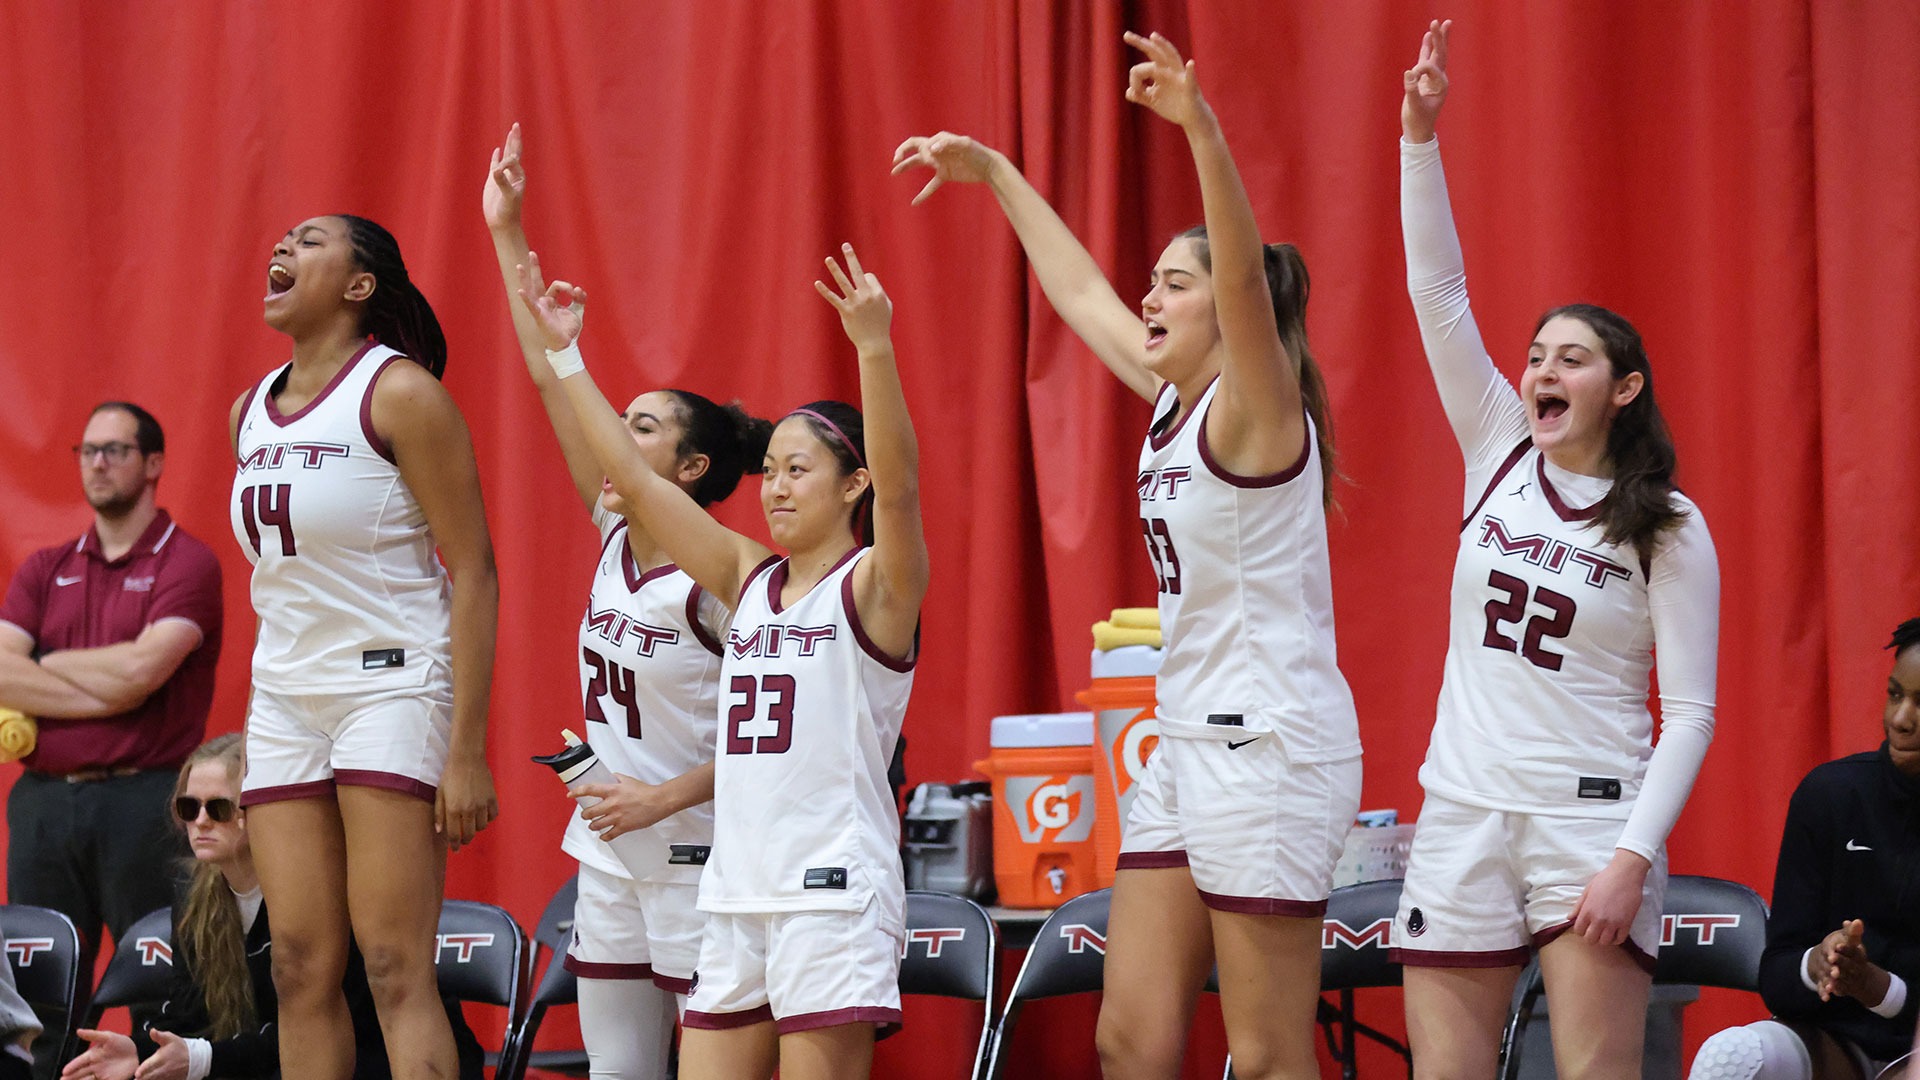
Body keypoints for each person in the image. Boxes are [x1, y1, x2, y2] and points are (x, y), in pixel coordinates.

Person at [894, 31, 1358, 1079]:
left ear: (1234, 315)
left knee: (1271, 1052)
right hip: (1186, 740)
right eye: (1153, 281)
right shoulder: (1172, 406)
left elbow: (1243, 274)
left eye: (1173, 285)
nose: (1148, 299)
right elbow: (1079, 296)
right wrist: (1000, 175)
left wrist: (1200, 127)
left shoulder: (1257, 412)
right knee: (1130, 1038)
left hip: (1272, 747)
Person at [1390, 21, 1722, 1079]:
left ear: (1621, 390)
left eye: (1571, 358)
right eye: (1536, 354)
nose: (1541, 368)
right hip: (1461, 808)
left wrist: (1633, 859)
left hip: (1589, 820)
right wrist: (1419, 135)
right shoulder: (1494, 444)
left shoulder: (1669, 523)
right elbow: (1438, 297)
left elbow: (1695, 713)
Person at [515, 237, 926, 1080]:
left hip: (830, 891)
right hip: (736, 891)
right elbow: (627, 470)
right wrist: (563, 350)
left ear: (852, 486)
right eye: (769, 470)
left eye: (798, 471)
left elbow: (904, 486)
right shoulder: (746, 576)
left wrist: (874, 350)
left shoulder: (876, 585)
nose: (775, 487)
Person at [484, 124, 768, 1078]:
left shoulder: (728, 579)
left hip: (701, 847)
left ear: (690, 469)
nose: (613, 436)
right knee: (617, 1070)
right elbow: (545, 378)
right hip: (609, 846)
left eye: (637, 427)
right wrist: (506, 229)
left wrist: (663, 796)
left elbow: (783, 736)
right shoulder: (614, 535)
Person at [229, 214, 499, 1080]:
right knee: (298, 967)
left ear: (358, 286)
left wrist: (466, 753)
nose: (282, 249)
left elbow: (478, 572)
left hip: (390, 687)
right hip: (284, 695)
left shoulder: (401, 393)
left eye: (307, 240)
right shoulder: (249, 409)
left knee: (393, 966)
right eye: (282, 240)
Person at [0, 401, 223, 1075]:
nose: (98, 463)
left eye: (115, 450)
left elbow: (142, 673)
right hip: (43, 804)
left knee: (160, 990)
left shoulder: (188, 562)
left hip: (145, 805)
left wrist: (39, 670)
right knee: (38, 1000)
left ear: (153, 463)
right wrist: (108, 677)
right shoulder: (46, 568)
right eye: (88, 451)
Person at [58, 735, 483, 1080]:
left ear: (260, 810)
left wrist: (204, 1060)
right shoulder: (194, 893)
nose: (200, 822)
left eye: (219, 808)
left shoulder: (324, 887)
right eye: (188, 808)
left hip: (376, 1063)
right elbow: (189, 1017)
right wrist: (141, 1052)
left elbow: (315, 1033)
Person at [1687, 619, 1920, 1080]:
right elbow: (1776, 972)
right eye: (1895, 694)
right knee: (1730, 1059)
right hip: (1833, 1044)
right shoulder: (1831, 795)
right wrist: (1816, 965)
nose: (1900, 719)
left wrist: (1878, 988)